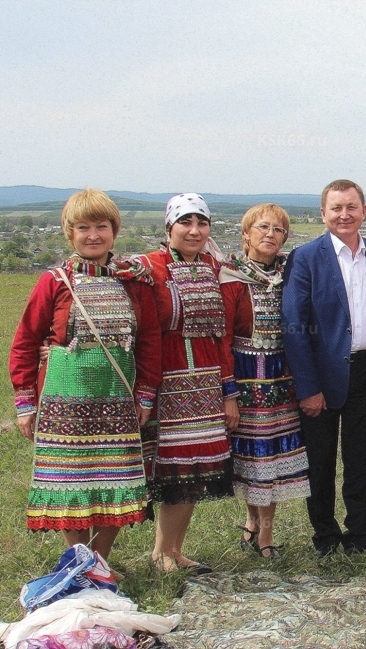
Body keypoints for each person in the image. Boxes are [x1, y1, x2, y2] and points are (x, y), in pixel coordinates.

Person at [9, 189, 161, 562]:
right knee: (70, 482)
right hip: (66, 401)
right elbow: (26, 339)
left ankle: (101, 562)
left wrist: (145, 395)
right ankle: (79, 563)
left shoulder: (134, 281)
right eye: (83, 228)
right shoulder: (55, 280)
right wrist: (25, 404)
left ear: (114, 230)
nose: (93, 235)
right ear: (69, 232)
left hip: (117, 396)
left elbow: (150, 342)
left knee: (116, 480)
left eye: (101, 226)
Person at [281, 179, 366, 557]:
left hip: (364, 372)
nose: (344, 215)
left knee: (360, 460)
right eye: (336, 208)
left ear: (364, 210)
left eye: (351, 207)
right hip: (321, 374)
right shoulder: (307, 257)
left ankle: (357, 533)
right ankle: (325, 536)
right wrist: (308, 387)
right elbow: (294, 326)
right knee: (321, 461)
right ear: (323, 214)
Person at [146, 192, 237, 573]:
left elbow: (223, 337)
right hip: (165, 382)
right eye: (186, 223)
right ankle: (160, 552)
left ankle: (173, 551)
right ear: (170, 228)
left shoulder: (215, 268)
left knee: (193, 474)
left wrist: (228, 393)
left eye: (202, 223)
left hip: (204, 384)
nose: (195, 230)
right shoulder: (150, 269)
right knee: (169, 473)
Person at [220, 203, 311, 559]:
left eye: (278, 230)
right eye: (263, 227)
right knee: (252, 460)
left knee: (271, 461)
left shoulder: (290, 273)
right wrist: (228, 389)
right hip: (245, 378)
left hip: (281, 379)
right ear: (246, 234)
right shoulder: (230, 277)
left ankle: (264, 534)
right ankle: (253, 522)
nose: (270, 235)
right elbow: (224, 336)